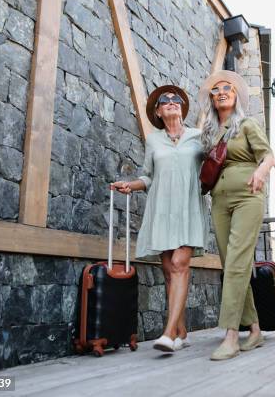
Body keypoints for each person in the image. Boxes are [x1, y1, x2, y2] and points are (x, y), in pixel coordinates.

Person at [112, 85, 207, 352]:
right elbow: (148, 175)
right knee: (168, 272)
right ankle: (182, 332)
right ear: (158, 112)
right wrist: (131, 185)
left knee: (179, 264)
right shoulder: (154, 140)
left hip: (189, 208)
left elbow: (213, 163)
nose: (171, 102)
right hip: (162, 209)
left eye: (176, 99)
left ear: (182, 108)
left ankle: (167, 334)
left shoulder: (198, 136)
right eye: (165, 101)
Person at [198, 70, 275, 360]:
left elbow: (268, 156)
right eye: (216, 90)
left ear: (235, 95)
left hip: (248, 196)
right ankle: (254, 329)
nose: (221, 92)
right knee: (231, 263)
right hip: (219, 200)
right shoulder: (208, 131)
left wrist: (259, 173)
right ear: (211, 99)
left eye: (227, 88)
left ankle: (231, 335)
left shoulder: (246, 124)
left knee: (238, 262)